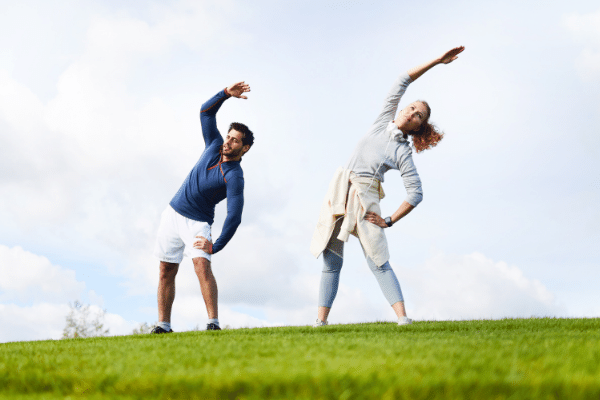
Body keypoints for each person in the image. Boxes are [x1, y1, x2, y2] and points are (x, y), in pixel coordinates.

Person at [310, 46, 465, 327]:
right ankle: (320, 323)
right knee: (331, 261)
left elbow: (416, 193)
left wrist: (389, 219)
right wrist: (437, 61)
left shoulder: (402, 152)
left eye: (419, 115)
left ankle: (403, 318)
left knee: (378, 261)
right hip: (340, 193)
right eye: (412, 107)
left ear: (418, 127)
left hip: (366, 201)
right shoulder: (383, 121)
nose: (412, 113)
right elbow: (402, 81)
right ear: (403, 108)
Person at [151, 81, 254, 333]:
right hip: (172, 214)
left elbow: (234, 216)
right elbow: (206, 112)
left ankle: (213, 323)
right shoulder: (213, 145)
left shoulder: (234, 176)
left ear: (245, 147)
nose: (228, 142)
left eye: (235, 140)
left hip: (198, 223)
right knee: (165, 270)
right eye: (228, 137)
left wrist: (215, 245)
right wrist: (226, 94)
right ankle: (163, 326)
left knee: (201, 266)